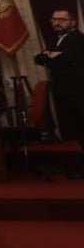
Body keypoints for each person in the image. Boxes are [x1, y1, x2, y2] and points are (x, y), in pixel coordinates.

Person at [34, 8, 84, 162]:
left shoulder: (78, 38)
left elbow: (66, 59)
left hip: (78, 89)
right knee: (76, 127)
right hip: (63, 89)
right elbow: (38, 58)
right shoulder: (55, 40)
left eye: (61, 20)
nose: (57, 23)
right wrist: (52, 55)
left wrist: (51, 55)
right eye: (54, 20)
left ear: (73, 22)